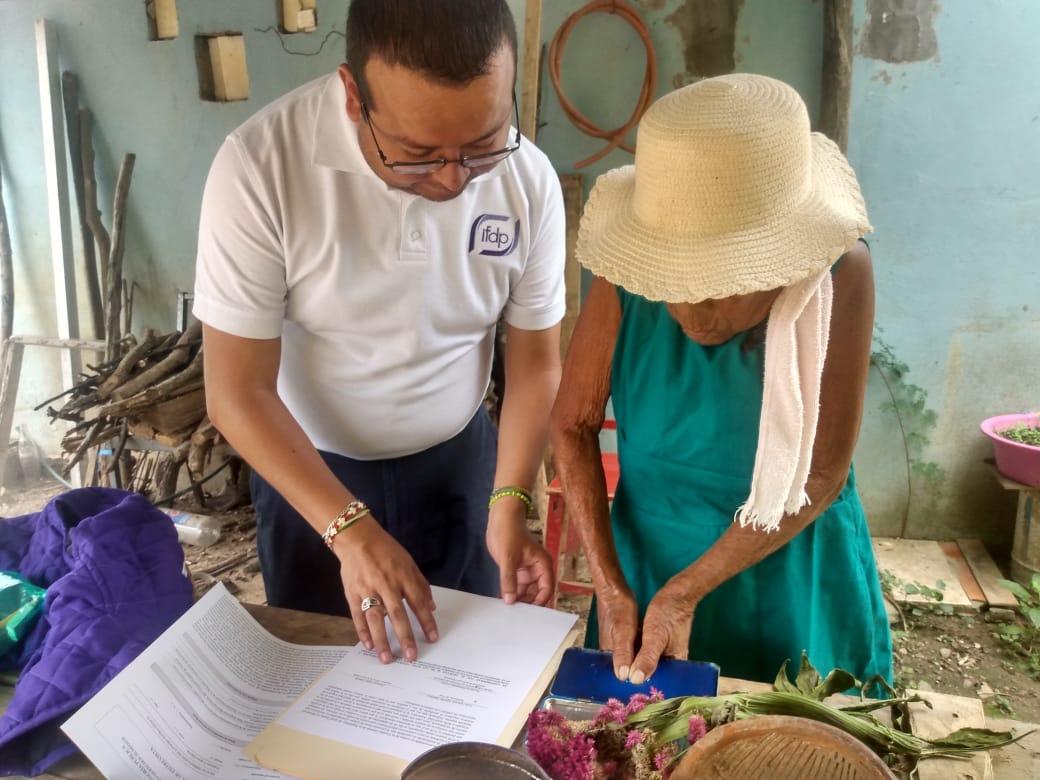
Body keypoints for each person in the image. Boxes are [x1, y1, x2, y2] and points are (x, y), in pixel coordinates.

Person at [194, 0, 565, 666]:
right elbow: (236, 391)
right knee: (324, 680)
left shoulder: (529, 181)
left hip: (458, 463)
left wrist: (509, 497)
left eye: (482, 145)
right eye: (419, 156)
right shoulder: (260, 167)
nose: (454, 180)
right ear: (352, 97)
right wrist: (348, 530)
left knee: (465, 679)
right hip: (310, 474)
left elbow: (536, 361)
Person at [550, 74, 893, 687]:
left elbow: (820, 471)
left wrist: (690, 590)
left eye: (719, 282)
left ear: (785, 258)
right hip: (649, 556)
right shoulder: (633, 267)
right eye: (674, 282)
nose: (691, 312)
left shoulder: (840, 273)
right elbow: (572, 424)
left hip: (786, 560)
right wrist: (611, 583)